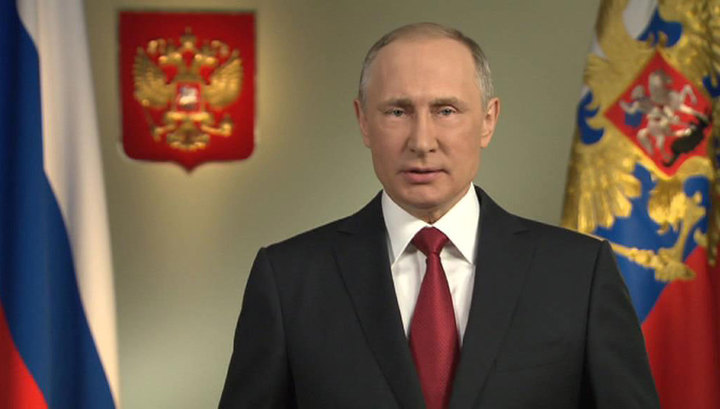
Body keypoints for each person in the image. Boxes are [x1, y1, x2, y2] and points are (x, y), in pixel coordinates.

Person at [218, 22, 659, 409]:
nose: (422, 141)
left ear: (488, 120)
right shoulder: (288, 279)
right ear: (364, 121)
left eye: (446, 111)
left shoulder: (579, 274)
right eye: (398, 111)